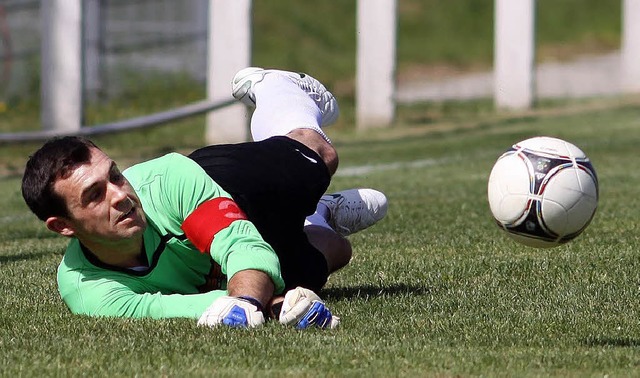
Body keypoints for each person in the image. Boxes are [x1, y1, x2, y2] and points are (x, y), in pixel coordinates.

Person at [21, 67, 388, 329]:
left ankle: (276, 87)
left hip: (223, 186)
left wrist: (244, 303)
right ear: (62, 226)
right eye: (95, 195)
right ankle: (317, 214)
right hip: (224, 265)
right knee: (335, 248)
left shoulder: (166, 181)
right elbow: (172, 309)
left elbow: (243, 248)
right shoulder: (89, 291)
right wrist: (275, 307)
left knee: (321, 154)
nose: (121, 195)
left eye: (114, 175)